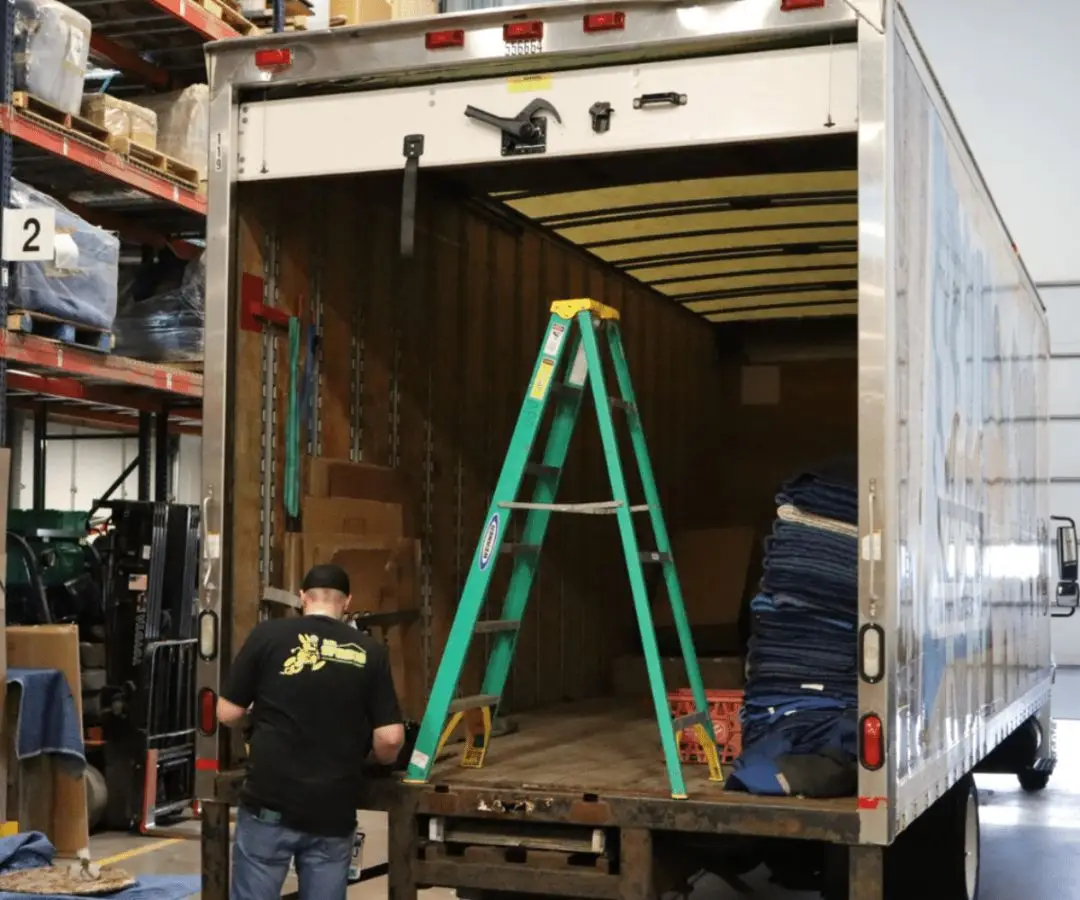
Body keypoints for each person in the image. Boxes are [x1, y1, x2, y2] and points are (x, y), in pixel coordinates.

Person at [217, 563, 405, 900]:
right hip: (331, 811)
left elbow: (227, 712)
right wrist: (376, 760)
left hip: (269, 803)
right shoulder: (370, 652)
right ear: (347, 602)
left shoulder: (267, 636)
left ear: (303, 598)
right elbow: (390, 738)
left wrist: (252, 725)